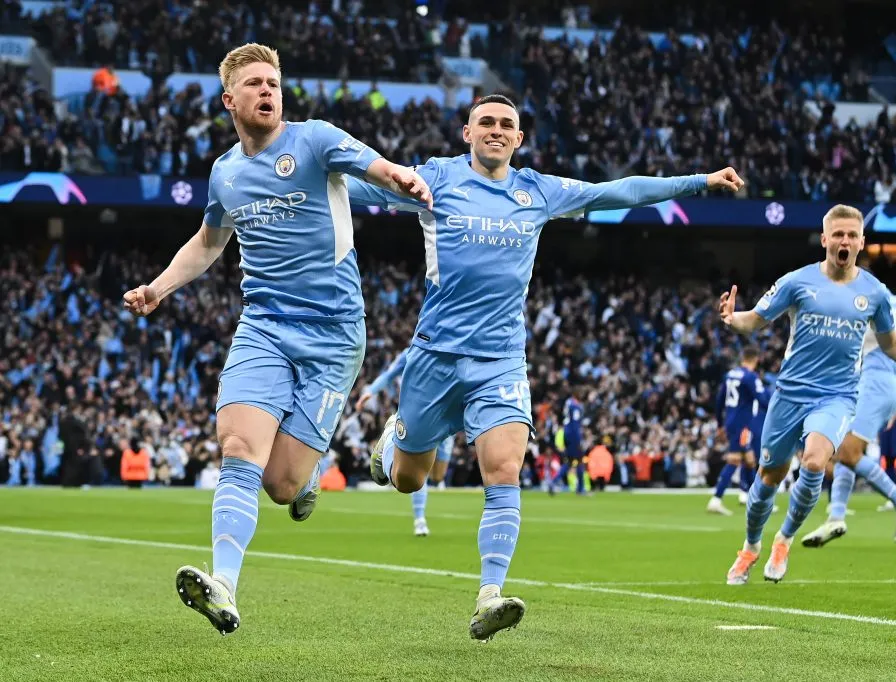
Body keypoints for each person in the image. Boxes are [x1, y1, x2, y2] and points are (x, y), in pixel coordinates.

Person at [345, 93, 744, 640]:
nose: (496, 130)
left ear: (518, 138)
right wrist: (308, 165)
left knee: (504, 471)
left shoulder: (537, 190)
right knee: (408, 478)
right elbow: (363, 182)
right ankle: (394, 443)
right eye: (486, 122)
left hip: (501, 359)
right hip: (434, 356)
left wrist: (697, 180)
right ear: (467, 132)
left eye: (506, 124)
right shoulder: (434, 178)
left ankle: (490, 593)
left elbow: (619, 191)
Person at [122, 43, 432, 635]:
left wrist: (401, 177)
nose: (268, 91)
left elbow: (377, 167)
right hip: (263, 327)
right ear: (229, 99)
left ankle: (356, 457)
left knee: (282, 484)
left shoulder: (314, 139)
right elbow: (210, 243)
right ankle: (225, 585)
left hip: (334, 337)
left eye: (274, 83)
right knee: (237, 447)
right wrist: (159, 288)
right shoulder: (226, 172)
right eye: (256, 84)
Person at [718, 204, 896, 585]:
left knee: (815, 463)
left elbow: (892, 345)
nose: (845, 240)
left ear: (862, 241)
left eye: (852, 235)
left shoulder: (875, 293)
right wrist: (733, 319)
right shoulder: (796, 282)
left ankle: (784, 539)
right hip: (790, 395)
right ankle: (751, 548)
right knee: (768, 477)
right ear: (825, 240)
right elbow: (755, 320)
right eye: (838, 234)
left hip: (836, 396)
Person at [802, 294, 896, 548]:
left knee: (847, 452)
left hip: (874, 382)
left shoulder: (863, 300)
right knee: (846, 449)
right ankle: (836, 517)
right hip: (884, 384)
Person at [355, 348, 456, 537]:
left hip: (446, 416)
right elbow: (389, 374)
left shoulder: (455, 345)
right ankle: (420, 520)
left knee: (438, 475)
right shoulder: (414, 351)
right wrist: (370, 391)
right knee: (418, 472)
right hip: (421, 414)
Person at [708, 345, 768, 515]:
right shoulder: (751, 377)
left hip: (731, 422)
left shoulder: (730, 375)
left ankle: (755, 501)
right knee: (734, 460)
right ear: (755, 359)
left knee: (749, 460)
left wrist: (720, 424)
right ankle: (716, 499)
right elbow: (762, 400)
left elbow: (719, 401)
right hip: (743, 425)